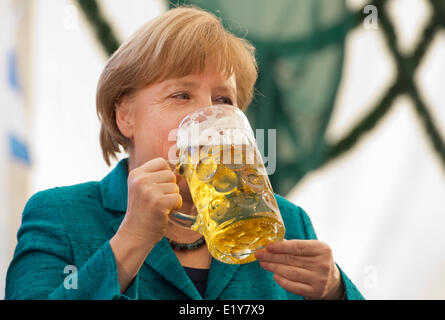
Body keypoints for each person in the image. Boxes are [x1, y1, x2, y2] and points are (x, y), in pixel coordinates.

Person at [5, 6, 364, 300]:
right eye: (181, 95)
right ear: (125, 114)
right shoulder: (62, 215)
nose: (210, 118)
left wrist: (335, 291)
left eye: (223, 100)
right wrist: (130, 241)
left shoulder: (288, 223)